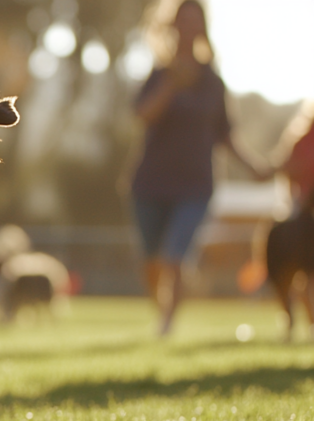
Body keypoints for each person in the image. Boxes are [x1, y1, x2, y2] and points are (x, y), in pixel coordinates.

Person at [131, 0, 264, 336]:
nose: (189, 28)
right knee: (153, 262)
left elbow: (226, 135)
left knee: (175, 255)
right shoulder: (159, 74)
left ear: (203, 28)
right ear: (173, 27)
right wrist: (171, 84)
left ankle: (166, 325)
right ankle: (161, 311)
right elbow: (143, 115)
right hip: (151, 183)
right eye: (183, 21)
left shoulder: (213, 82)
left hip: (196, 185)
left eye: (195, 21)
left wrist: (255, 166)